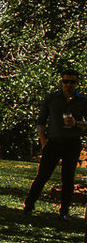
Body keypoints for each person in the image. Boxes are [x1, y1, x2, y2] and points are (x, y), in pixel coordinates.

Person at [23, 68, 87, 220]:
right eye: (66, 81)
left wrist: (77, 123)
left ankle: (64, 210)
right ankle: (29, 205)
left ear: (77, 83)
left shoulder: (83, 101)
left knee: (68, 178)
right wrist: (44, 141)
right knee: (43, 175)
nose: (69, 85)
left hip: (72, 143)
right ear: (61, 82)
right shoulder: (52, 99)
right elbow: (41, 122)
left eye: (72, 82)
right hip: (53, 142)